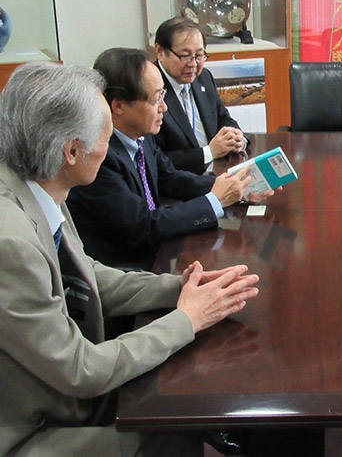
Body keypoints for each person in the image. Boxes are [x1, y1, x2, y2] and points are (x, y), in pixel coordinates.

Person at [0, 61, 260, 456]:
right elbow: (81, 370)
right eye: (105, 136)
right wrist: (187, 319)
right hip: (37, 426)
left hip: (63, 387)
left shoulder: (36, 180)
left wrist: (181, 288)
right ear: (72, 150)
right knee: (175, 419)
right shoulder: (10, 243)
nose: (112, 147)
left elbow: (87, 275)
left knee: (181, 379)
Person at [67, 48, 273, 270]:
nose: (164, 108)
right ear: (118, 106)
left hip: (160, 254)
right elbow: (144, 225)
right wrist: (216, 200)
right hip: (125, 272)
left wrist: (237, 184)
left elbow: (170, 178)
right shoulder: (97, 156)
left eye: (163, 96)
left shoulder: (140, 136)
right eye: (156, 99)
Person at [154, 16, 247, 174]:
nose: (193, 64)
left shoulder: (203, 77)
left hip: (218, 173)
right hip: (178, 186)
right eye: (184, 56)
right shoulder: (150, 89)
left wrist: (235, 136)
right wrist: (209, 152)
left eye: (199, 55)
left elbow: (222, 118)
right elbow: (155, 159)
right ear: (160, 51)